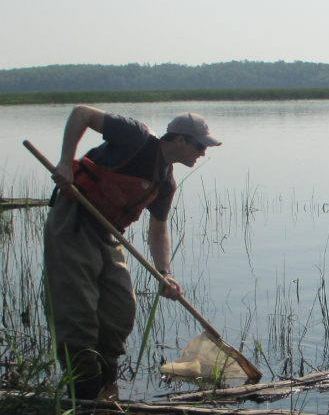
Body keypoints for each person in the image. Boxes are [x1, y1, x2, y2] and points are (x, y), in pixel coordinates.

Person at [43, 105, 221, 399]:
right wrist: (64, 163)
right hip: (74, 220)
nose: (202, 153)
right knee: (78, 310)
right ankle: (84, 392)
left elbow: (158, 229)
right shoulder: (135, 137)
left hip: (107, 234)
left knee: (120, 309)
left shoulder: (165, 183)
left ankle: (107, 388)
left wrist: (164, 272)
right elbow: (81, 113)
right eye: (199, 146)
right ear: (179, 140)